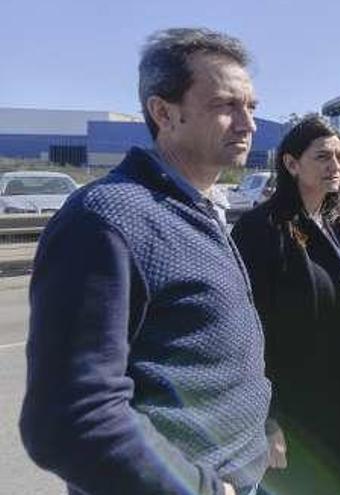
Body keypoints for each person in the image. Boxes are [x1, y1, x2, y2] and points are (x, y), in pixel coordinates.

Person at [19, 28, 270, 495]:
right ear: (163, 112)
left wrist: (260, 430)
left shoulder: (197, 206)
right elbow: (71, 417)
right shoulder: (106, 221)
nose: (247, 123)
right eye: (225, 105)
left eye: (251, 106)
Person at [231, 114, 340, 495]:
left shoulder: (334, 221)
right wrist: (267, 421)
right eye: (322, 157)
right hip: (295, 414)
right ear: (291, 164)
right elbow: (244, 335)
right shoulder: (262, 230)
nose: (335, 166)